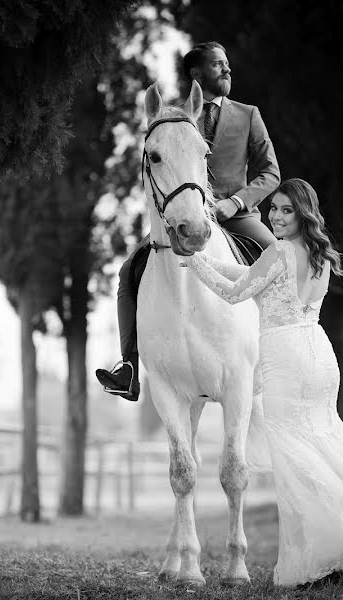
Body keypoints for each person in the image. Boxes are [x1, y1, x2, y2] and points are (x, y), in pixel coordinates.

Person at [179, 178, 343, 586]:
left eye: (285, 210)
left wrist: (194, 263)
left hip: (285, 359)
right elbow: (252, 276)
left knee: (294, 458)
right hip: (318, 352)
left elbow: (234, 293)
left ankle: (327, 554)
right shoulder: (320, 255)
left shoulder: (277, 251)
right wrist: (209, 261)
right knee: (325, 440)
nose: (275, 216)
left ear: (302, 214)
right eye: (273, 209)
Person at [95, 41, 280, 401]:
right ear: (197, 74)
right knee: (128, 272)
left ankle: (286, 356)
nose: (227, 70)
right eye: (217, 65)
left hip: (237, 216)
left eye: (227, 64)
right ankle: (129, 366)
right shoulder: (172, 119)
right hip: (182, 214)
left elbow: (270, 173)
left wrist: (237, 201)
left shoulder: (248, 114)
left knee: (279, 257)